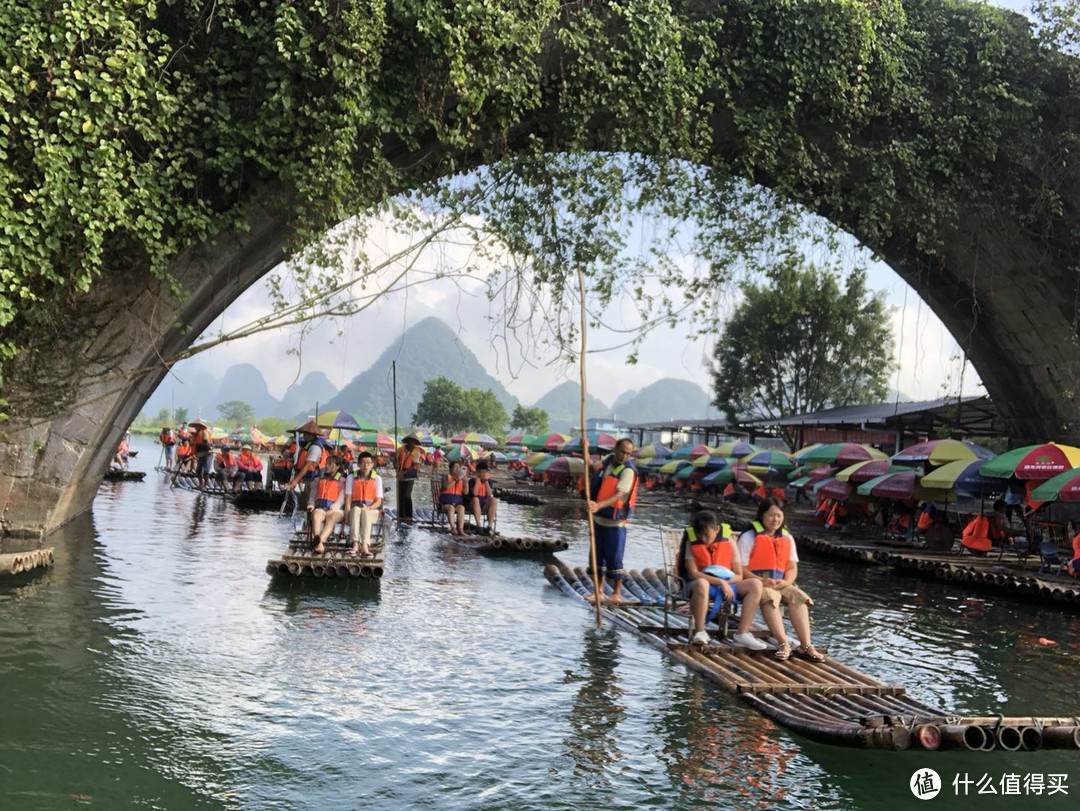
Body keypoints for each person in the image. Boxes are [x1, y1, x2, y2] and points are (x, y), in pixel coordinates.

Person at [737, 497, 825, 662]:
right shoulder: (749, 536)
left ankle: (806, 645)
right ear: (762, 515)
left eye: (779, 515)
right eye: (771, 515)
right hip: (758, 582)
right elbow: (740, 568)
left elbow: (792, 567)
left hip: (781, 582)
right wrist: (761, 581)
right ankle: (783, 643)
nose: (775, 519)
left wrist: (786, 582)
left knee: (799, 598)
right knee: (770, 598)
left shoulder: (787, 538)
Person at [679, 510, 768, 649]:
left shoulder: (730, 543)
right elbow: (693, 573)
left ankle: (742, 634)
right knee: (702, 583)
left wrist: (726, 583)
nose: (703, 538)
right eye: (699, 534)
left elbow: (739, 574)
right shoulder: (691, 543)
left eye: (706, 534)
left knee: (755, 584)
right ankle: (700, 631)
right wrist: (720, 582)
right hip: (701, 584)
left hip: (729, 583)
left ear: (716, 529)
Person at [585, 437, 638, 604]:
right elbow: (592, 467)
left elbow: (619, 494)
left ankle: (616, 592)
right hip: (599, 518)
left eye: (628, 453)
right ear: (615, 449)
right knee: (597, 556)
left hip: (616, 521)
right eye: (622, 452)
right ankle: (598, 591)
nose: (624, 456)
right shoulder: (607, 460)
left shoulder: (628, 471)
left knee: (614, 557)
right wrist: (585, 449)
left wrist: (599, 505)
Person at [344, 451, 383, 557]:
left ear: (372, 464)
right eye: (363, 463)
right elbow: (348, 499)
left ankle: (365, 545)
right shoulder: (351, 477)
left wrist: (369, 507)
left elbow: (378, 501)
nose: (366, 465)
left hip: (372, 510)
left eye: (368, 463)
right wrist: (347, 515)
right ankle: (355, 544)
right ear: (358, 464)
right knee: (356, 509)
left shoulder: (377, 479)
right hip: (356, 509)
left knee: (365, 513)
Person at [308, 454, 346, 553]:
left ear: (337, 467)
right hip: (321, 508)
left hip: (337, 510)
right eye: (326, 464)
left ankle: (319, 540)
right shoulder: (319, 479)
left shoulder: (342, 481)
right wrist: (311, 503)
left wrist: (333, 508)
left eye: (330, 464)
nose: (327, 466)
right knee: (316, 516)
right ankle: (319, 543)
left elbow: (342, 497)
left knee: (332, 518)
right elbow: (313, 494)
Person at [286, 420, 329, 504]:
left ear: (311, 435)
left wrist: (295, 481)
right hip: (308, 479)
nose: (304, 436)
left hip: (315, 479)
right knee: (307, 499)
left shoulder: (315, 447)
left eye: (306, 434)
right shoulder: (308, 444)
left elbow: (307, 465)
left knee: (311, 501)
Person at [396, 434, 423, 519]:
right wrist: (397, 469)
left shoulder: (416, 451)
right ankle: (401, 514)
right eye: (409, 441)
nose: (411, 443)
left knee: (407, 495)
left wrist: (403, 473)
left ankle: (408, 515)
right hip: (400, 474)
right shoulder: (401, 449)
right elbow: (396, 460)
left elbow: (413, 465)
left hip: (410, 475)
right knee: (400, 495)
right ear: (407, 441)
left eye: (413, 441)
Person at [467, 461, 497, 535]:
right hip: (472, 506)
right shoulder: (471, 481)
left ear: (486, 472)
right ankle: (479, 526)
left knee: (494, 500)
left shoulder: (489, 481)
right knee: (476, 499)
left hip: (484, 506)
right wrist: (478, 481)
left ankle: (489, 527)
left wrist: (486, 481)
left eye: (483, 472)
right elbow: (475, 493)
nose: (481, 474)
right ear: (477, 472)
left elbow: (490, 494)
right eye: (479, 472)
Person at [438, 460, 467, 535]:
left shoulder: (461, 479)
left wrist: (465, 482)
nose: (457, 469)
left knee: (461, 508)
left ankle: (460, 529)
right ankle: (453, 528)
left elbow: (466, 492)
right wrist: (455, 479)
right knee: (451, 508)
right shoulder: (445, 477)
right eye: (455, 467)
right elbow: (446, 487)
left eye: (458, 467)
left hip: (456, 504)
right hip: (445, 504)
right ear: (450, 469)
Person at [190, 419, 213, 490]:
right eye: (195, 426)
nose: (196, 427)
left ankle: (205, 485)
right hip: (200, 454)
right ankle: (200, 484)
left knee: (206, 470)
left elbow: (206, 441)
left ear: (200, 426)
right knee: (198, 470)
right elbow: (193, 445)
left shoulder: (204, 433)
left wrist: (208, 447)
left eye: (197, 426)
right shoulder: (195, 435)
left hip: (207, 453)